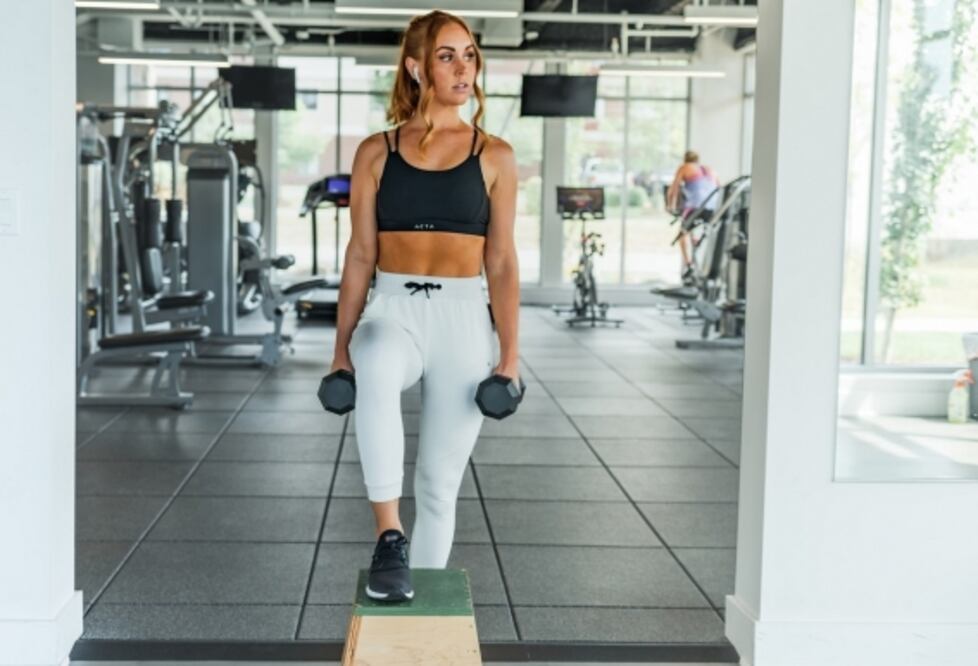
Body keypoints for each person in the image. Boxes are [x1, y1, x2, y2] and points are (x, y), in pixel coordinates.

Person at [329, 10, 520, 603]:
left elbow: (504, 263)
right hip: (393, 308)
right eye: (447, 56)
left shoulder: (495, 154)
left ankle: (418, 597)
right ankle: (389, 534)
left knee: (440, 484)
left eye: (469, 54)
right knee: (378, 361)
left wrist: (510, 357)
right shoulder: (376, 152)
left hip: (464, 319)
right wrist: (340, 351)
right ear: (416, 67)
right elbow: (361, 256)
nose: (464, 67)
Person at [666, 150, 719, 282]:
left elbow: (674, 188)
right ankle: (697, 242)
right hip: (713, 207)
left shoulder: (684, 167)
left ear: (685, 159)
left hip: (696, 207)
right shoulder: (709, 169)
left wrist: (670, 206)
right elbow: (719, 188)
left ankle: (689, 265)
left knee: (682, 234)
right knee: (703, 232)